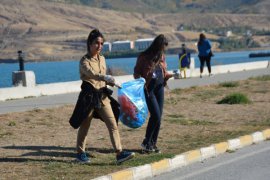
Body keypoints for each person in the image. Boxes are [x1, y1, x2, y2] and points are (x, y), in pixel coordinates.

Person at [69, 29, 135, 164]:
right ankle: (80, 153)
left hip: (102, 96)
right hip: (88, 97)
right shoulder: (84, 61)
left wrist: (113, 82)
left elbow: (104, 78)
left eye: (101, 43)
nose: (99, 46)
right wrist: (104, 77)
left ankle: (119, 153)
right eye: (96, 43)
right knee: (85, 126)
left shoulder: (103, 59)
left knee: (112, 124)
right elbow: (91, 74)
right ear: (90, 43)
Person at [134, 34, 173, 153]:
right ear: (157, 45)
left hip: (160, 88)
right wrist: (144, 79)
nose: (163, 50)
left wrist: (169, 76)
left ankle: (153, 144)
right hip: (148, 89)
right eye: (162, 47)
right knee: (155, 115)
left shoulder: (161, 57)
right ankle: (146, 142)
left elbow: (163, 72)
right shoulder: (144, 57)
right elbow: (136, 74)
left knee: (159, 117)